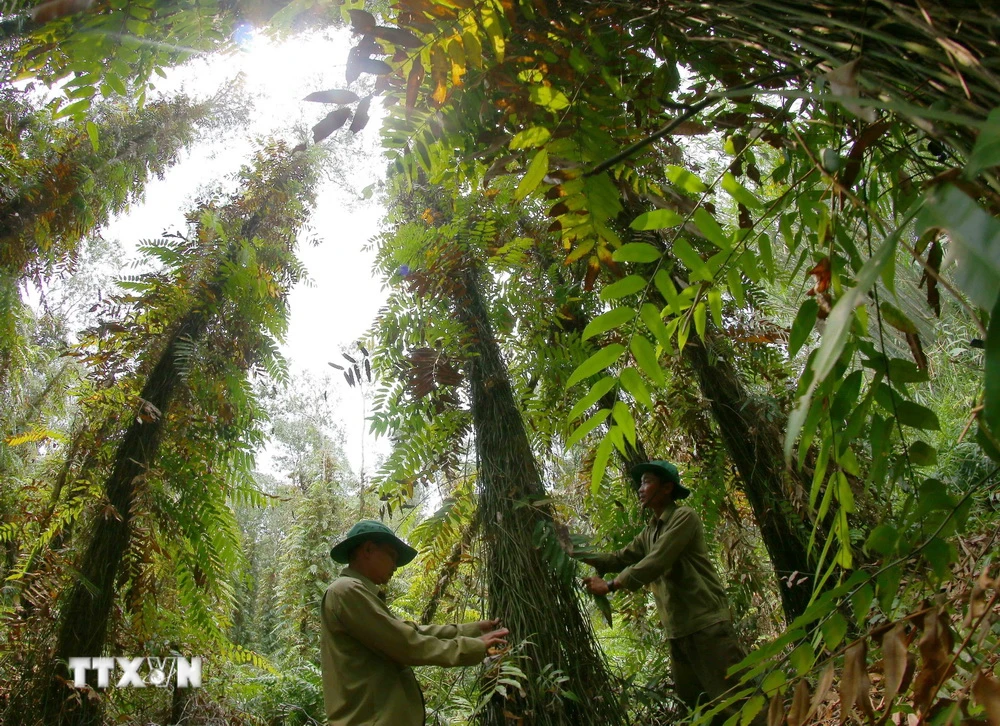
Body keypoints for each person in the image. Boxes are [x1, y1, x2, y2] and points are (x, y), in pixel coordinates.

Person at [579, 460, 754, 724]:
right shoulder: (650, 530)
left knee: (737, 700)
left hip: (706, 624)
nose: (640, 488)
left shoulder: (683, 518)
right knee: (699, 709)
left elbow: (657, 561)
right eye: (640, 482)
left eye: (647, 482)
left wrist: (611, 585)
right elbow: (619, 557)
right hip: (678, 631)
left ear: (667, 488)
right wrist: (576, 551)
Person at [320, 519, 509, 726]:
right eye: (392, 555)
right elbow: (405, 644)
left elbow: (409, 631)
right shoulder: (347, 591)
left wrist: (471, 630)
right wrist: (475, 646)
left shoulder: (358, 592)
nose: (394, 565)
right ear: (368, 549)